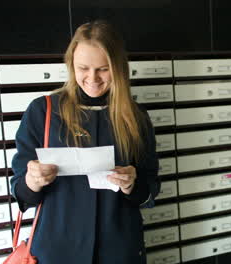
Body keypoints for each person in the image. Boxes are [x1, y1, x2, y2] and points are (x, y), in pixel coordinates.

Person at [10, 20, 160, 264]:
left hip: (119, 251)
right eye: (83, 68)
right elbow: (21, 194)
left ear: (119, 67)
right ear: (71, 65)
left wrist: (132, 184)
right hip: (57, 252)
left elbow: (150, 189)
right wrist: (31, 180)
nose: (93, 78)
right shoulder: (42, 111)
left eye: (103, 68)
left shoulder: (135, 117)